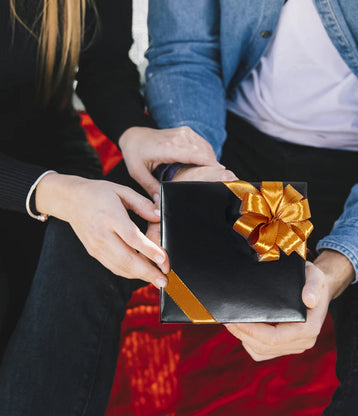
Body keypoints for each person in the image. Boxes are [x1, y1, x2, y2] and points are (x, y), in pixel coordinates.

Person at [145, 0, 358, 414]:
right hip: (229, 147)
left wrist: (334, 269)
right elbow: (184, 54)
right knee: (81, 248)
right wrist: (193, 175)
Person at [0, 0, 224, 414]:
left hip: (49, 150)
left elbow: (102, 63)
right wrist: (52, 191)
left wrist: (131, 130)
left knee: (81, 257)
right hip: (40, 181)